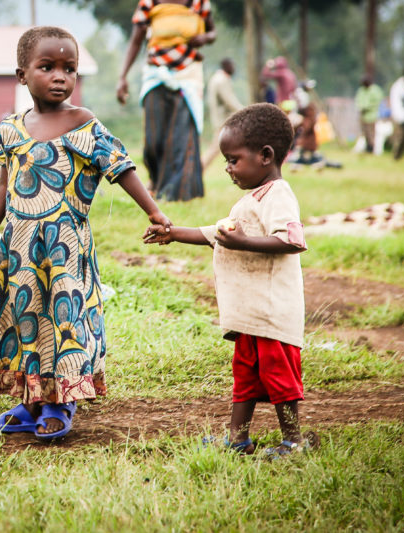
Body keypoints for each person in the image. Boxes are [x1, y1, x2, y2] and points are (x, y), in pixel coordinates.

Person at [0, 26, 172, 440]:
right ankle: (29, 402)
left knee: (63, 321)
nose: (60, 76)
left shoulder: (84, 124)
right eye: (47, 67)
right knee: (22, 318)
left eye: (69, 69)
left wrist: (153, 211)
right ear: (22, 74)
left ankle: (61, 402)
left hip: (64, 249)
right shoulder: (10, 128)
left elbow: (121, 167)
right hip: (19, 247)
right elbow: (6, 184)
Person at [144, 103, 313, 458]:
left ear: (265, 156)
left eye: (234, 159)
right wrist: (173, 233)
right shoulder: (251, 200)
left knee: (280, 379)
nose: (228, 168)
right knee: (246, 378)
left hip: (272, 316)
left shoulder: (278, 195)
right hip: (251, 318)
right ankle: (238, 440)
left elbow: (293, 240)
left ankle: (294, 441)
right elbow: (215, 233)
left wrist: (244, 242)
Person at [117, 0, 216, 201]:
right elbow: (136, 40)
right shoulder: (149, 3)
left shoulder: (199, 3)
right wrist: (123, 76)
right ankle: (156, 180)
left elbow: (212, 32)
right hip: (156, 74)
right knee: (153, 141)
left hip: (188, 75)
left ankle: (175, 195)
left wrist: (205, 37)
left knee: (181, 136)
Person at [202, 58, 243, 170]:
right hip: (223, 121)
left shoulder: (219, 78)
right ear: (227, 66)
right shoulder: (221, 80)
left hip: (223, 120)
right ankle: (198, 169)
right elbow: (229, 100)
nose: (234, 68)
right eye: (232, 66)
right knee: (215, 148)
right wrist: (244, 111)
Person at [354, 75, 383, 154]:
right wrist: (360, 107)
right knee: (365, 133)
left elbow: (377, 102)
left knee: (371, 134)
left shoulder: (375, 90)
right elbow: (358, 100)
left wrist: (367, 107)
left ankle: (372, 148)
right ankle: (367, 148)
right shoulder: (361, 90)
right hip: (363, 116)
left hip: (371, 116)